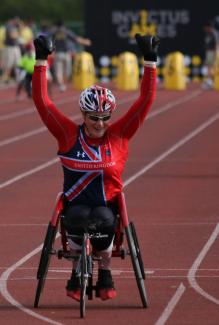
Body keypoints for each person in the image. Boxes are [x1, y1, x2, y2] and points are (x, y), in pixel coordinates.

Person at [32, 33, 159, 302]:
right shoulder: (67, 134)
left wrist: (149, 61)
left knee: (103, 223)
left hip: (107, 206)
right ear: (83, 115)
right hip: (75, 205)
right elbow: (43, 102)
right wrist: (41, 59)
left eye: (104, 118)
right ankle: (77, 270)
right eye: (93, 118)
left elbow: (144, 102)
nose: (100, 124)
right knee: (77, 221)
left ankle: (105, 271)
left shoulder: (120, 135)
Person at [51, 20, 91, 91]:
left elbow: (48, 41)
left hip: (57, 54)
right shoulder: (66, 32)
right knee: (67, 71)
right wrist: (85, 42)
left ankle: (61, 85)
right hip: (66, 53)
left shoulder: (53, 33)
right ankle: (64, 82)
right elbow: (76, 39)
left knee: (58, 71)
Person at [202, 21, 219, 89]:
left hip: (213, 52)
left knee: (212, 67)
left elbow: (217, 44)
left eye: (206, 28)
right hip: (209, 52)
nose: (205, 29)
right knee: (209, 67)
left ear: (209, 27)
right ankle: (210, 81)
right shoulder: (208, 33)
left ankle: (211, 82)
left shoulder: (214, 33)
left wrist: (216, 53)